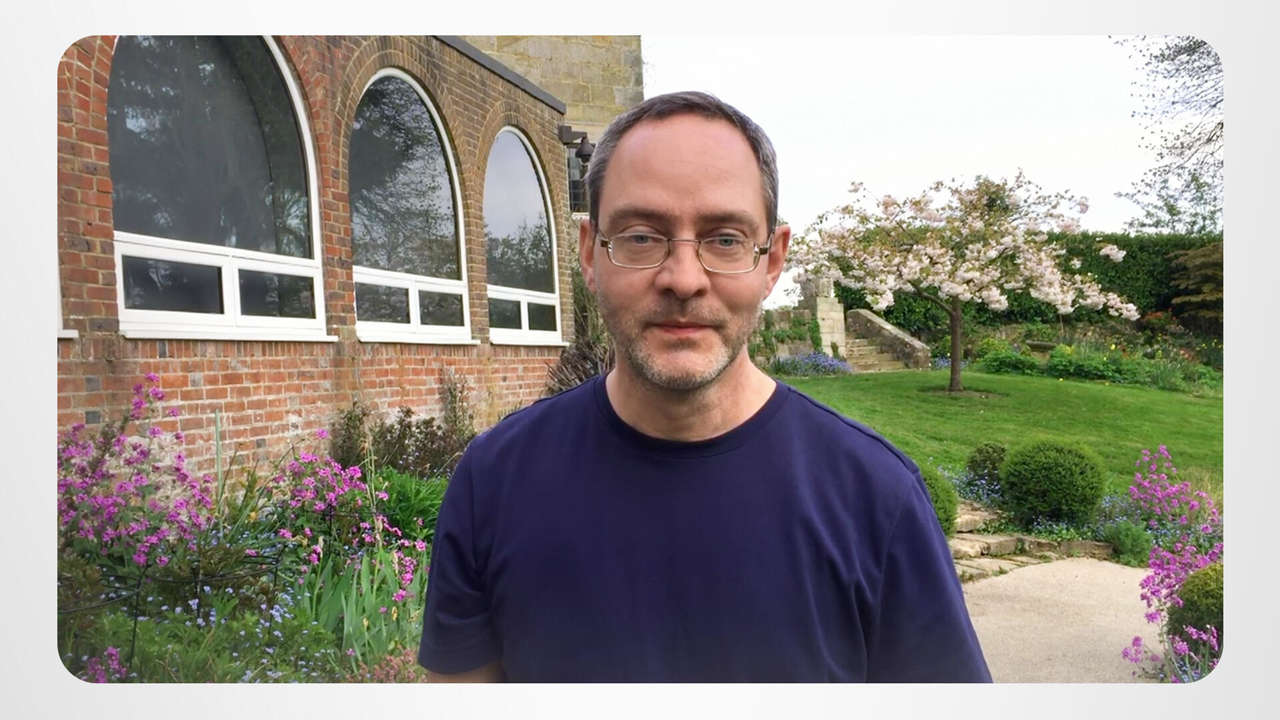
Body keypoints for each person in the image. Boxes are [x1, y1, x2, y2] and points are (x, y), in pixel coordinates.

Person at [417, 91, 991, 682]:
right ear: (590, 253)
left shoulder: (877, 498)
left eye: (725, 239)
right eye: (642, 236)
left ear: (772, 261)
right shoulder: (494, 482)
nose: (684, 279)